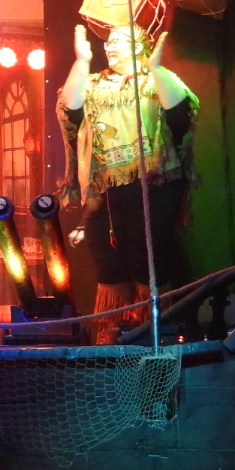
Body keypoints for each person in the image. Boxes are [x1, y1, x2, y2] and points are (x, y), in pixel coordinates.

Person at [57, 22, 198, 344]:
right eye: (108, 42)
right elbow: (70, 108)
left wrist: (156, 68)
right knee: (106, 256)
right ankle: (114, 325)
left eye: (119, 41)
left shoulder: (154, 81)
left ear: (139, 47)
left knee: (147, 252)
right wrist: (81, 61)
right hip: (104, 184)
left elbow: (181, 112)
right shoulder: (95, 84)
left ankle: (154, 326)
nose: (110, 46)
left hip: (152, 181)